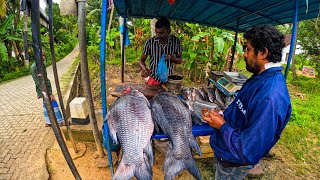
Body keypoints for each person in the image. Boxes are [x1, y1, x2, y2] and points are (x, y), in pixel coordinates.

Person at [202, 24, 292, 179]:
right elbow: (242, 108)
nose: (244, 54)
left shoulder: (270, 97)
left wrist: (222, 126)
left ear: (263, 53)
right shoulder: (260, 77)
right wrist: (222, 114)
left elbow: (248, 150)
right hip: (227, 152)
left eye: (248, 49)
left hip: (234, 163)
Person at [139, 17, 182, 85]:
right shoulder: (150, 43)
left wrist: (172, 58)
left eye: (161, 33)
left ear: (168, 31)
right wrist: (144, 69)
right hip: (153, 78)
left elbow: (180, 60)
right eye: (156, 32)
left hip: (169, 80)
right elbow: (141, 60)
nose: (158, 36)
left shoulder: (176, 42)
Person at [30, 51, 65, 127]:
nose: (43, 57)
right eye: (41, 56)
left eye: (43, 55)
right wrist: (48, 93)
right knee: (53, 103)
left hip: (46, 87)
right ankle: (61, 121)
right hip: (44, 89)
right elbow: (37, 82)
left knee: (46, 104)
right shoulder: (33, 67)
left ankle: (48, 122)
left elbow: (45, 78)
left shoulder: (42, 64)